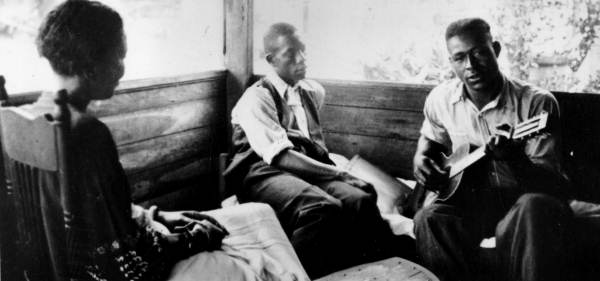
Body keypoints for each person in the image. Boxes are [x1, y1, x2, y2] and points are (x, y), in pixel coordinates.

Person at [33, 0, 308, 281]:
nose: (121, 70)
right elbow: (125, 253)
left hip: (95, 260)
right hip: (125, 272)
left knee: (258, 212)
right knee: (252, 261)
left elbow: (101, 217)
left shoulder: (35, 118)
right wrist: (195, 239)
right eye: (119, 57)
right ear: (91, 63)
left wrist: (158, 216)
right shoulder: (86, 132)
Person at [224, 22, 405, 278]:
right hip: (261, 173)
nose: (301, 59)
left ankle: (373, 267)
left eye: (303, 51)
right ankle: (297, 275)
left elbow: (310, 146)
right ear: (271, 59)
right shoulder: (257, 98)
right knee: (321, 207)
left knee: (360, 199)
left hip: (300, 170)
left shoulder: (312, 92)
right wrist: (339, 174)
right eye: (290, 53)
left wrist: (337, 172)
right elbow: (281, 156)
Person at [412, 17, 572, 281]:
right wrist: (421, 159)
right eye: (460, 58)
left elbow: (550, 185)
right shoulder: (440, 99)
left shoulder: (536, 102)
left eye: (479, 53)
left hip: (523, 200)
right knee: (428, 217)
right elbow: (429, 139)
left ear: (495, 49)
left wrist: (515, 158)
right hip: (473, 202)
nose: (471, 65)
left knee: (533, 206)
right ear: (451, 62)